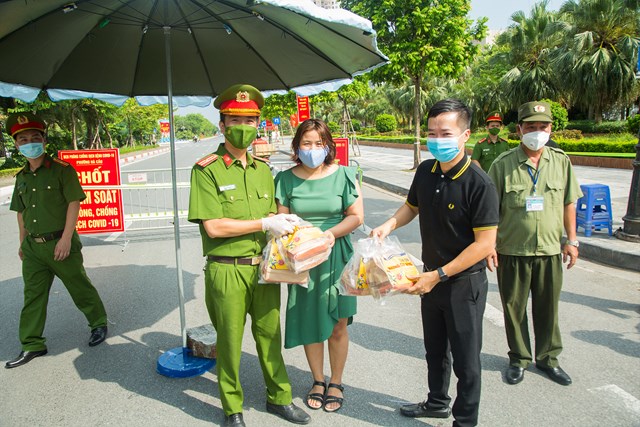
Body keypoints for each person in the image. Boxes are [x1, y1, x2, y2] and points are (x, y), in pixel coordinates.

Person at [187, 84, 310, 427]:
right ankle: (232, 408)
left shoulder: (262, 170)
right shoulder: (207, 169)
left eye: (250, 119)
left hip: (265, 270)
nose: (243, 125)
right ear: (222, 124)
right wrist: (264, 221)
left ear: (259, 123)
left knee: (271, 335)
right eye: (236, 119)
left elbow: (276, 219)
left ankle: (279, 397)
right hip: (227, 270)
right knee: (229, 341)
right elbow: (213, 227)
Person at [371, 99, 499, 427]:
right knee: (435, 350)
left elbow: (485, 244)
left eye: (445, 133)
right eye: (431, 133)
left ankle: (465, 421)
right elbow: (411, 207)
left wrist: (439, 275)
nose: (437, 139)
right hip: (429, 278)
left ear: (465, 135)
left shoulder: (479, 184)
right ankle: (437, 402)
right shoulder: (426, 171)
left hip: (462, 283)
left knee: (467, 360)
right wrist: (389, 225)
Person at [486, 101, 582, 387]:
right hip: (512, 250)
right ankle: (518, 359)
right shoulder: (502, 164)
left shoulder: (561, 161)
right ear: (519, 129)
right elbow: (490, 210)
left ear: (551, 129)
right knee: (513, 309)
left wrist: (572, 241)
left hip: (551, 250)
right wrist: (489, 244)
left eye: (542, 127)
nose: (537, 132)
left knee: (548, 308)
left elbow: (569, 203)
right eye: (531, 127)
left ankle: (548, 359)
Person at [5, 112, 108, 369]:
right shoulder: (21, 178)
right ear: (17, 145)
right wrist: (22, 243)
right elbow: (21, 212)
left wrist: (65, 239)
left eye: (35, 137)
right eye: (24, 139)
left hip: (60, 244)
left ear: (44, 139)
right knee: (33, 297)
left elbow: (74, 203)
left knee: (78, 286)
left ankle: (98, 323)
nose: (30, 142)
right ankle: (32, 344)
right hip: (33, 248)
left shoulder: (62, 170)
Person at [274, 119, 364, 413]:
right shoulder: (285, 180)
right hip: (302, 259)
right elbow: (282, 221)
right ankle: (317, 379)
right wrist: (301, 240)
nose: (313, 149)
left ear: (329, 146)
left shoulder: (346, 175)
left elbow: (355, 217)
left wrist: (329, 235)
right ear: (297, 147)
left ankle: (336, 381)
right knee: (310, 320)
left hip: (336, 254)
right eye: (306, 143)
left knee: (338, 323)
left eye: (318, 143)